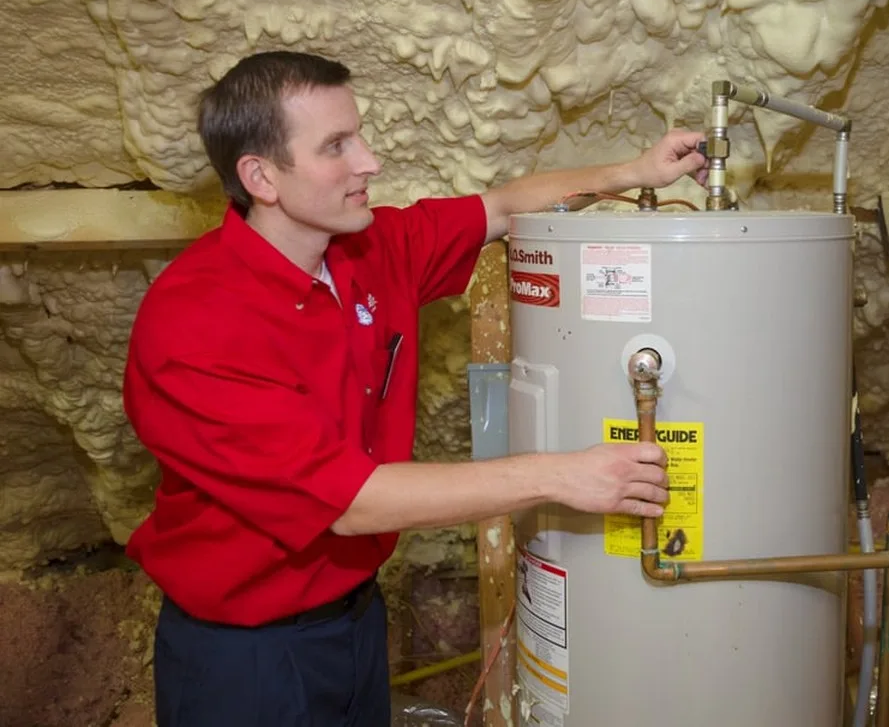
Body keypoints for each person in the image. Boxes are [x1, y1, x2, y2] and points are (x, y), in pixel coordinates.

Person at [121, 49, 708, 727]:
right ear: (261, 176)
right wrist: (563, 475)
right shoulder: (195, 324)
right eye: (337, 145)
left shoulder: (369, 249)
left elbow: (501, 208)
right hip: (246, 658)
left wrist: (632, 171)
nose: (368, 161)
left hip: (357, 622)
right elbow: (352, 501)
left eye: (359, 134)